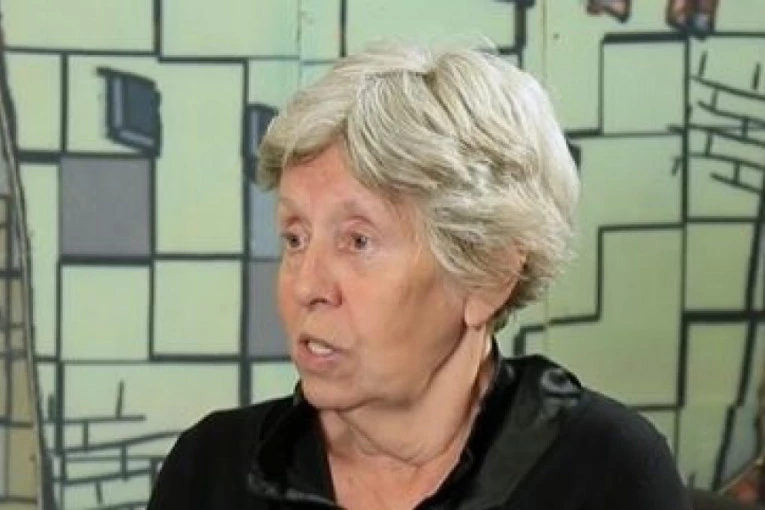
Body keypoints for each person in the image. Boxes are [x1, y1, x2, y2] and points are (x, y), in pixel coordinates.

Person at [147, 43, 691, 509]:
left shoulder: (607, 473)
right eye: (295, 238)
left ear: (489, 274)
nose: (307, 286)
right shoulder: (211, 470)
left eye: (358, 241)